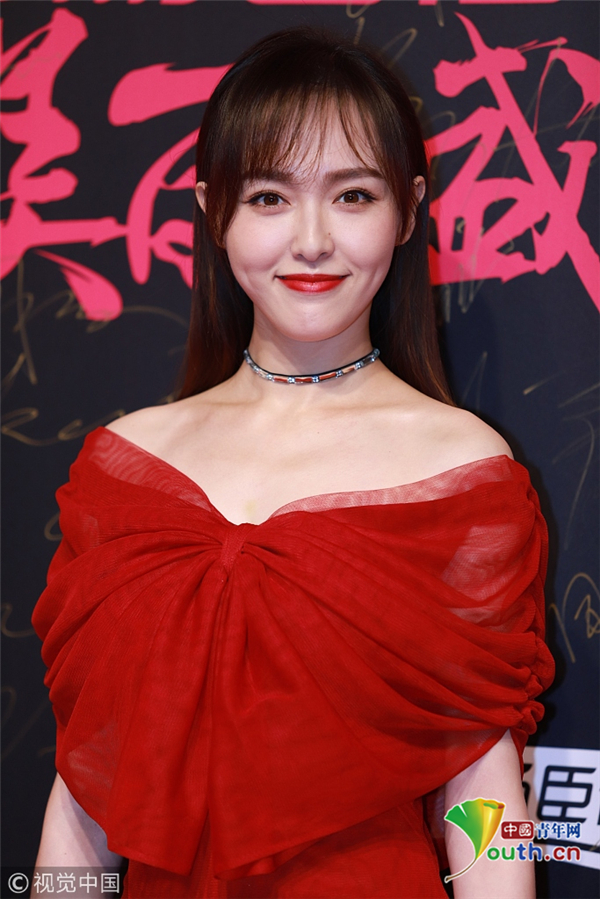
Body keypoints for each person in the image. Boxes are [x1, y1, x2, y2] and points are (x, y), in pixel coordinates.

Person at [32, 27, 554, 899]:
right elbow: (85, 794)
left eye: (353, 195)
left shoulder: (463, 469)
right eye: (270, 197)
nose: (312, 240)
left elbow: (482, 785)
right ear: (213, 211)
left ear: (408, 209)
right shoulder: (123, 469)